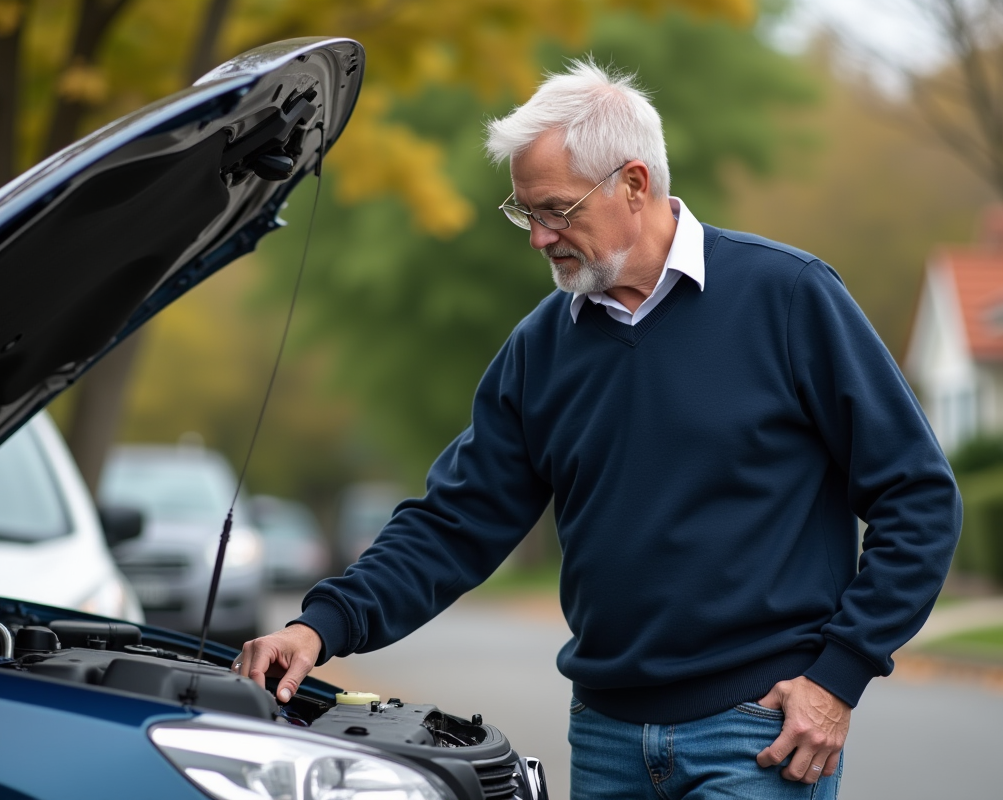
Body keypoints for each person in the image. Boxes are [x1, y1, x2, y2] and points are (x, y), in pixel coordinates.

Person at [235, 60, 962, 798]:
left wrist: (839, 676)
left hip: (759, 734)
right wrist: (321, 626)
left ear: (634, 184)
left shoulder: (789, 297)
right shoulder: (541, 347)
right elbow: (455, 522)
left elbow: (919, 496)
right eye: (525, 212)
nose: (538, 237)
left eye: (556, 210)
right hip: (606, 740)